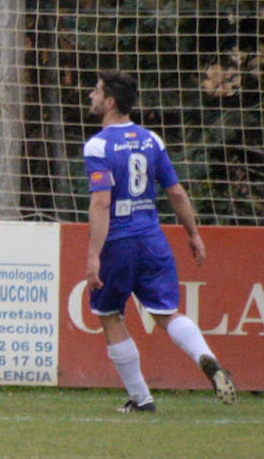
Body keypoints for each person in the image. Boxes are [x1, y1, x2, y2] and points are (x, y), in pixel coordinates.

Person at [83, 71, 236, 411]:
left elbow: (101, 203)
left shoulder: (98, 146)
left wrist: (94, 255)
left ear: (110, 102)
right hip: (152, 240)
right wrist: (193, 234)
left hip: (118, 243)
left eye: (96, 91)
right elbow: (176, 192)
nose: (91, 96)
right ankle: (206, 357)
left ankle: (141, 399)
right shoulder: (151, 140)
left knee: (110, 315)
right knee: (166, 314)